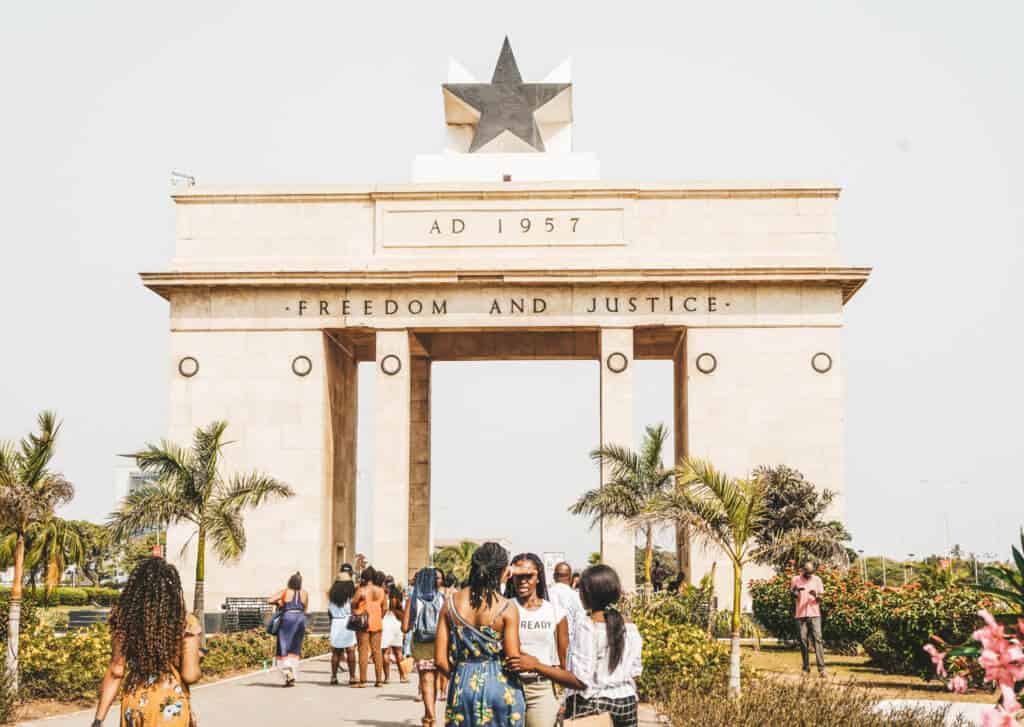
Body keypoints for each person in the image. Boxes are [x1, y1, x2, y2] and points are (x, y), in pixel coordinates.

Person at [92, 557, 202, 727]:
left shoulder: (124, 620)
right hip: (170, 707)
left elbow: (116, 671)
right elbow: (190, 674)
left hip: (135, 705)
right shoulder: (186, 623)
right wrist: (197, 659)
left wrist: (98, 720)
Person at [436, 542, 526, 727]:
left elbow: (440, 660)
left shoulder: (450, 604)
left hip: (462, 684)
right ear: (503, 572)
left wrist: (463, 673)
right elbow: (513, 658)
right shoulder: (507, 608)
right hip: (500, 686)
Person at [504, 553, 582, 727]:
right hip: (508, 686)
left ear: (538, 577)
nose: (523, 581)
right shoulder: (503, 608)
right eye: (518, 576)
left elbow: (563, 661)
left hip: (542, 690)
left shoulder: (556, 613)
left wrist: (563, 698)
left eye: (528, 576)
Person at [566, 565, 643, 727]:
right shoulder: (630, 627)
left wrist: (538, 667)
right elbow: (635, 670)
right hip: (627, 702)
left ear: (587, 594)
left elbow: (581, 680)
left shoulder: (587, 626)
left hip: (594, 703)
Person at [404, 567, 446, 726]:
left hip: (421, 645)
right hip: (440, 645)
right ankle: (430, 715)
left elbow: (405, 627)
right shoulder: (443, 598)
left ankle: (431, 716)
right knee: (434, 680)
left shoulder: (413, 599)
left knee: (426, 680)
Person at [269, 571, 308, 686]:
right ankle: (293, 675)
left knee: (283, 645)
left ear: (290, 581)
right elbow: (305, 608)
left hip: (288, 617)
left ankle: (287, 673)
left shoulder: (285, 591)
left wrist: (279, 603)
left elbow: (270, 600)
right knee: (295, 647)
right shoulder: (305, 593)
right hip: (300, 618)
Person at [352, 565, 386, 687]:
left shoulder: (361, 590)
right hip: (377, 620)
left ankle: (363, 680)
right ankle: (379, 680)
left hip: (363, 621)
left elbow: (353, 604)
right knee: (377, 651)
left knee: (363, 650)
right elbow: (385, 608)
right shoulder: (381, 591)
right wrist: (378, 616)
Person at [790, 560, 826, 675]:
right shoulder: (795, 579)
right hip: (800, 614)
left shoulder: (817, 580)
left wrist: (815, 595)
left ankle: (822, 669)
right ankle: (806, 668)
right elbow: (793, 595)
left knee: (818, 640)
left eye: (811, 573)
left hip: (814, 614)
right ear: (803, 570)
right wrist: (796, 592)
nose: (809, 575)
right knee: (802, 641)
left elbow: (821, 599)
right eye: (807, 573)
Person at [328, 569, 357, 685]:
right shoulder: (351, 595)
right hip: (347, 622)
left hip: (336, 622)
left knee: (336, 652)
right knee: (350, 650)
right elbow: (353, 609)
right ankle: (352, 677)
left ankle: (334, 677)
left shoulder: (332, 595)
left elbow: (329, 611)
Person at [548, 561, 585, 641]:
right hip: (569, 642)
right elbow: (581, 622)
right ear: (570, 577)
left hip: (549, 642)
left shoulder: (545, 594)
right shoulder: (576, 596)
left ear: (554, 576)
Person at [382, 583, 409, 683]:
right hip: (397, 626)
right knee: (399, 653)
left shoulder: (385, 600)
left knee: (386, 653)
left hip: (386, 625)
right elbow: (403, 617)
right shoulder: (400, 604)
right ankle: (403, 676)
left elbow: (382, 613)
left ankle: (387, 678)